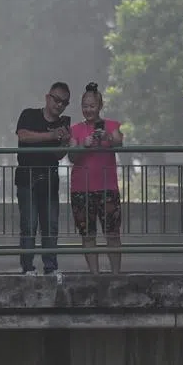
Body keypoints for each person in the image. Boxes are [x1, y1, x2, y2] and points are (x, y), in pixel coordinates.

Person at [14, 82, 71, 276]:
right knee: (29, 225)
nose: (59, 105)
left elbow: (59, 155)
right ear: (48, 97)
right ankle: (28, 267)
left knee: (50, 226)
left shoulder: (64, 123)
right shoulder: (29, 114)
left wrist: (65, 141)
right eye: (56, 99)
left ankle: (50, 267)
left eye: (64, 102)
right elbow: (23, 136)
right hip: (26, 177)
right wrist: (51, 135)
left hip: (49, 179)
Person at [68, 82, 124, 274]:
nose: (88, 110)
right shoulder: (75, 129)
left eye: (92, 106)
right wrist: (84, 145)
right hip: (81, 188)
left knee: (113, 233)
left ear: (100, 106)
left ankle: (116, 274)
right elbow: (71, 156)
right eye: (85, 106)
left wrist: (107, 138)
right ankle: (95, 275)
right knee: (88, 234)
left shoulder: (111, 125)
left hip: (107, 187)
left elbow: (119, 142)